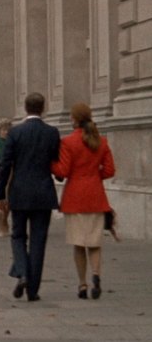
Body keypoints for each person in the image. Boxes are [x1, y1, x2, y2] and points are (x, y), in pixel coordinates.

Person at [0, 92, 60, 302]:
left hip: (20, 192)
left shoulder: (16, 133)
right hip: (43, 192)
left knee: (17, 236)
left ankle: (22, 273)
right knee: (38, 241)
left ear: (25, 108)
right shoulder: (52, 132)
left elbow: (5, 165)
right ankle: (32, 290)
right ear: (43, 107)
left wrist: (0, 194)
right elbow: (56, 163)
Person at [52, 103, 116, 300]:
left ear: (74, 119)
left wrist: (50, 163)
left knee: (78, 244)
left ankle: (82, 284)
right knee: (95, 243)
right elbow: (109, 170)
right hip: (96, 196)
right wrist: (94, 175)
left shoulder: (68, 142)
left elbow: (62, 171)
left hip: (75, 197)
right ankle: (96, 274)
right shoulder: (102, 141)